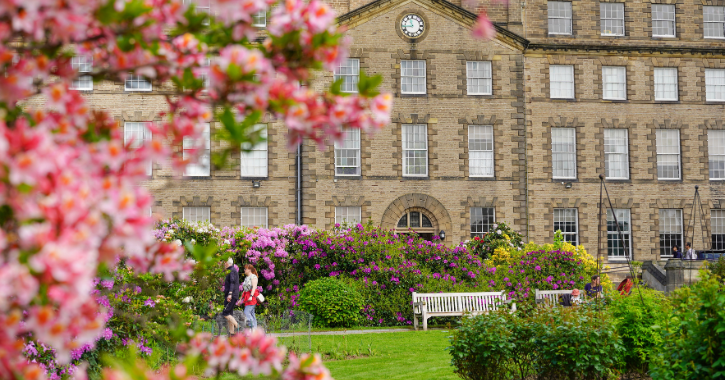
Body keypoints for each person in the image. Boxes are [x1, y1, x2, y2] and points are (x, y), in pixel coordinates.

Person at [222, 258, 240, 335]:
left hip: (231, 295)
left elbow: (232, 282)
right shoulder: (232, 270)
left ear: (227, 263)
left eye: (224, 262)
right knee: (230, 313)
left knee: (225, 313)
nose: (223, 264)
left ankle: (237, 325)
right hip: (232, 295)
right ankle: (231, 333)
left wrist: (230, 294)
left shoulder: (231, 270)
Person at [241, 264, 260, 329]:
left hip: (252, 298)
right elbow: (244, 290)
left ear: (249, 269)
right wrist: (240, 299)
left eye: (245, 269)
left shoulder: (253, 277)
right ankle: (254, 330)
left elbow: (254, 287)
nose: (244, 270)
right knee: (252, 314)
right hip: (247, 298)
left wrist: (251, 296)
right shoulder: (246, 278)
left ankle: (252, 328)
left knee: (246, 313)